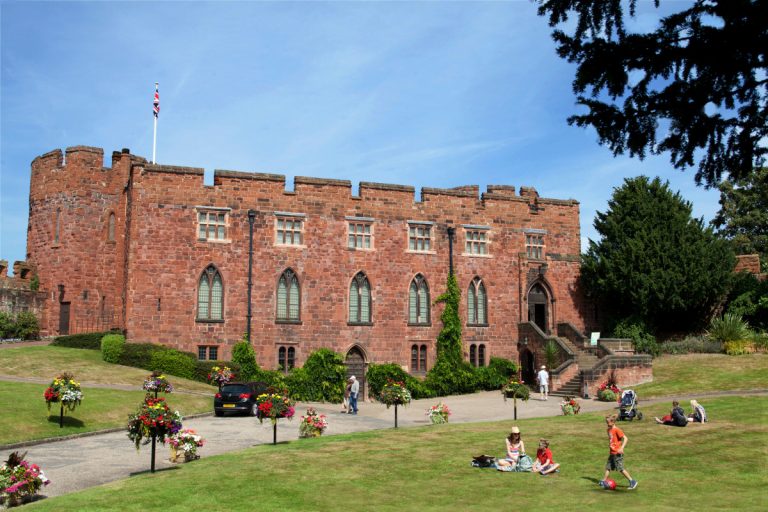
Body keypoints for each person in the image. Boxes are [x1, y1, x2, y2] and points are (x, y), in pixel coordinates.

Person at [600, 414, 638, 490]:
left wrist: (621, 448)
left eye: (608, 422)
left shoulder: (617, 430)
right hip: (612, 453)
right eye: (606, 422)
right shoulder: (608, 430)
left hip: (617, 453)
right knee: (608, 467)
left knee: (620, 468)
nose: (607, 424)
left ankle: (632, 481)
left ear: (613, 422)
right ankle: (604, 480)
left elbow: (626, 438)